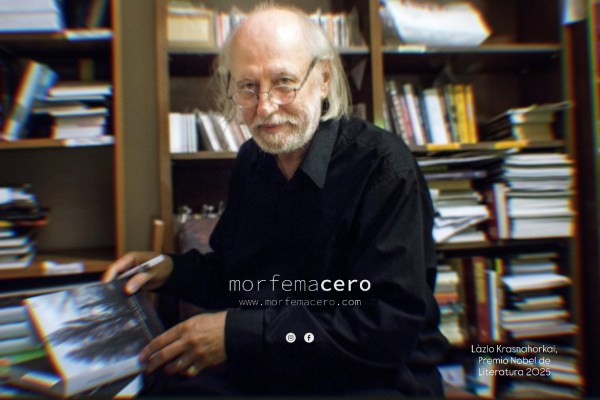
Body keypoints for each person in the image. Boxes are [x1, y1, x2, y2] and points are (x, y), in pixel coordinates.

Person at [103, 4, 449, 396]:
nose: (265, 107)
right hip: (280, 367)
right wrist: (168, 270)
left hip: (372, 378)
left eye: (284, 82)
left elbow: (385, 328)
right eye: (248, 86)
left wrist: (239, 334)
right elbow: (237, 277)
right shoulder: (253, 160)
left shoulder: (384, 167)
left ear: (323, 79)